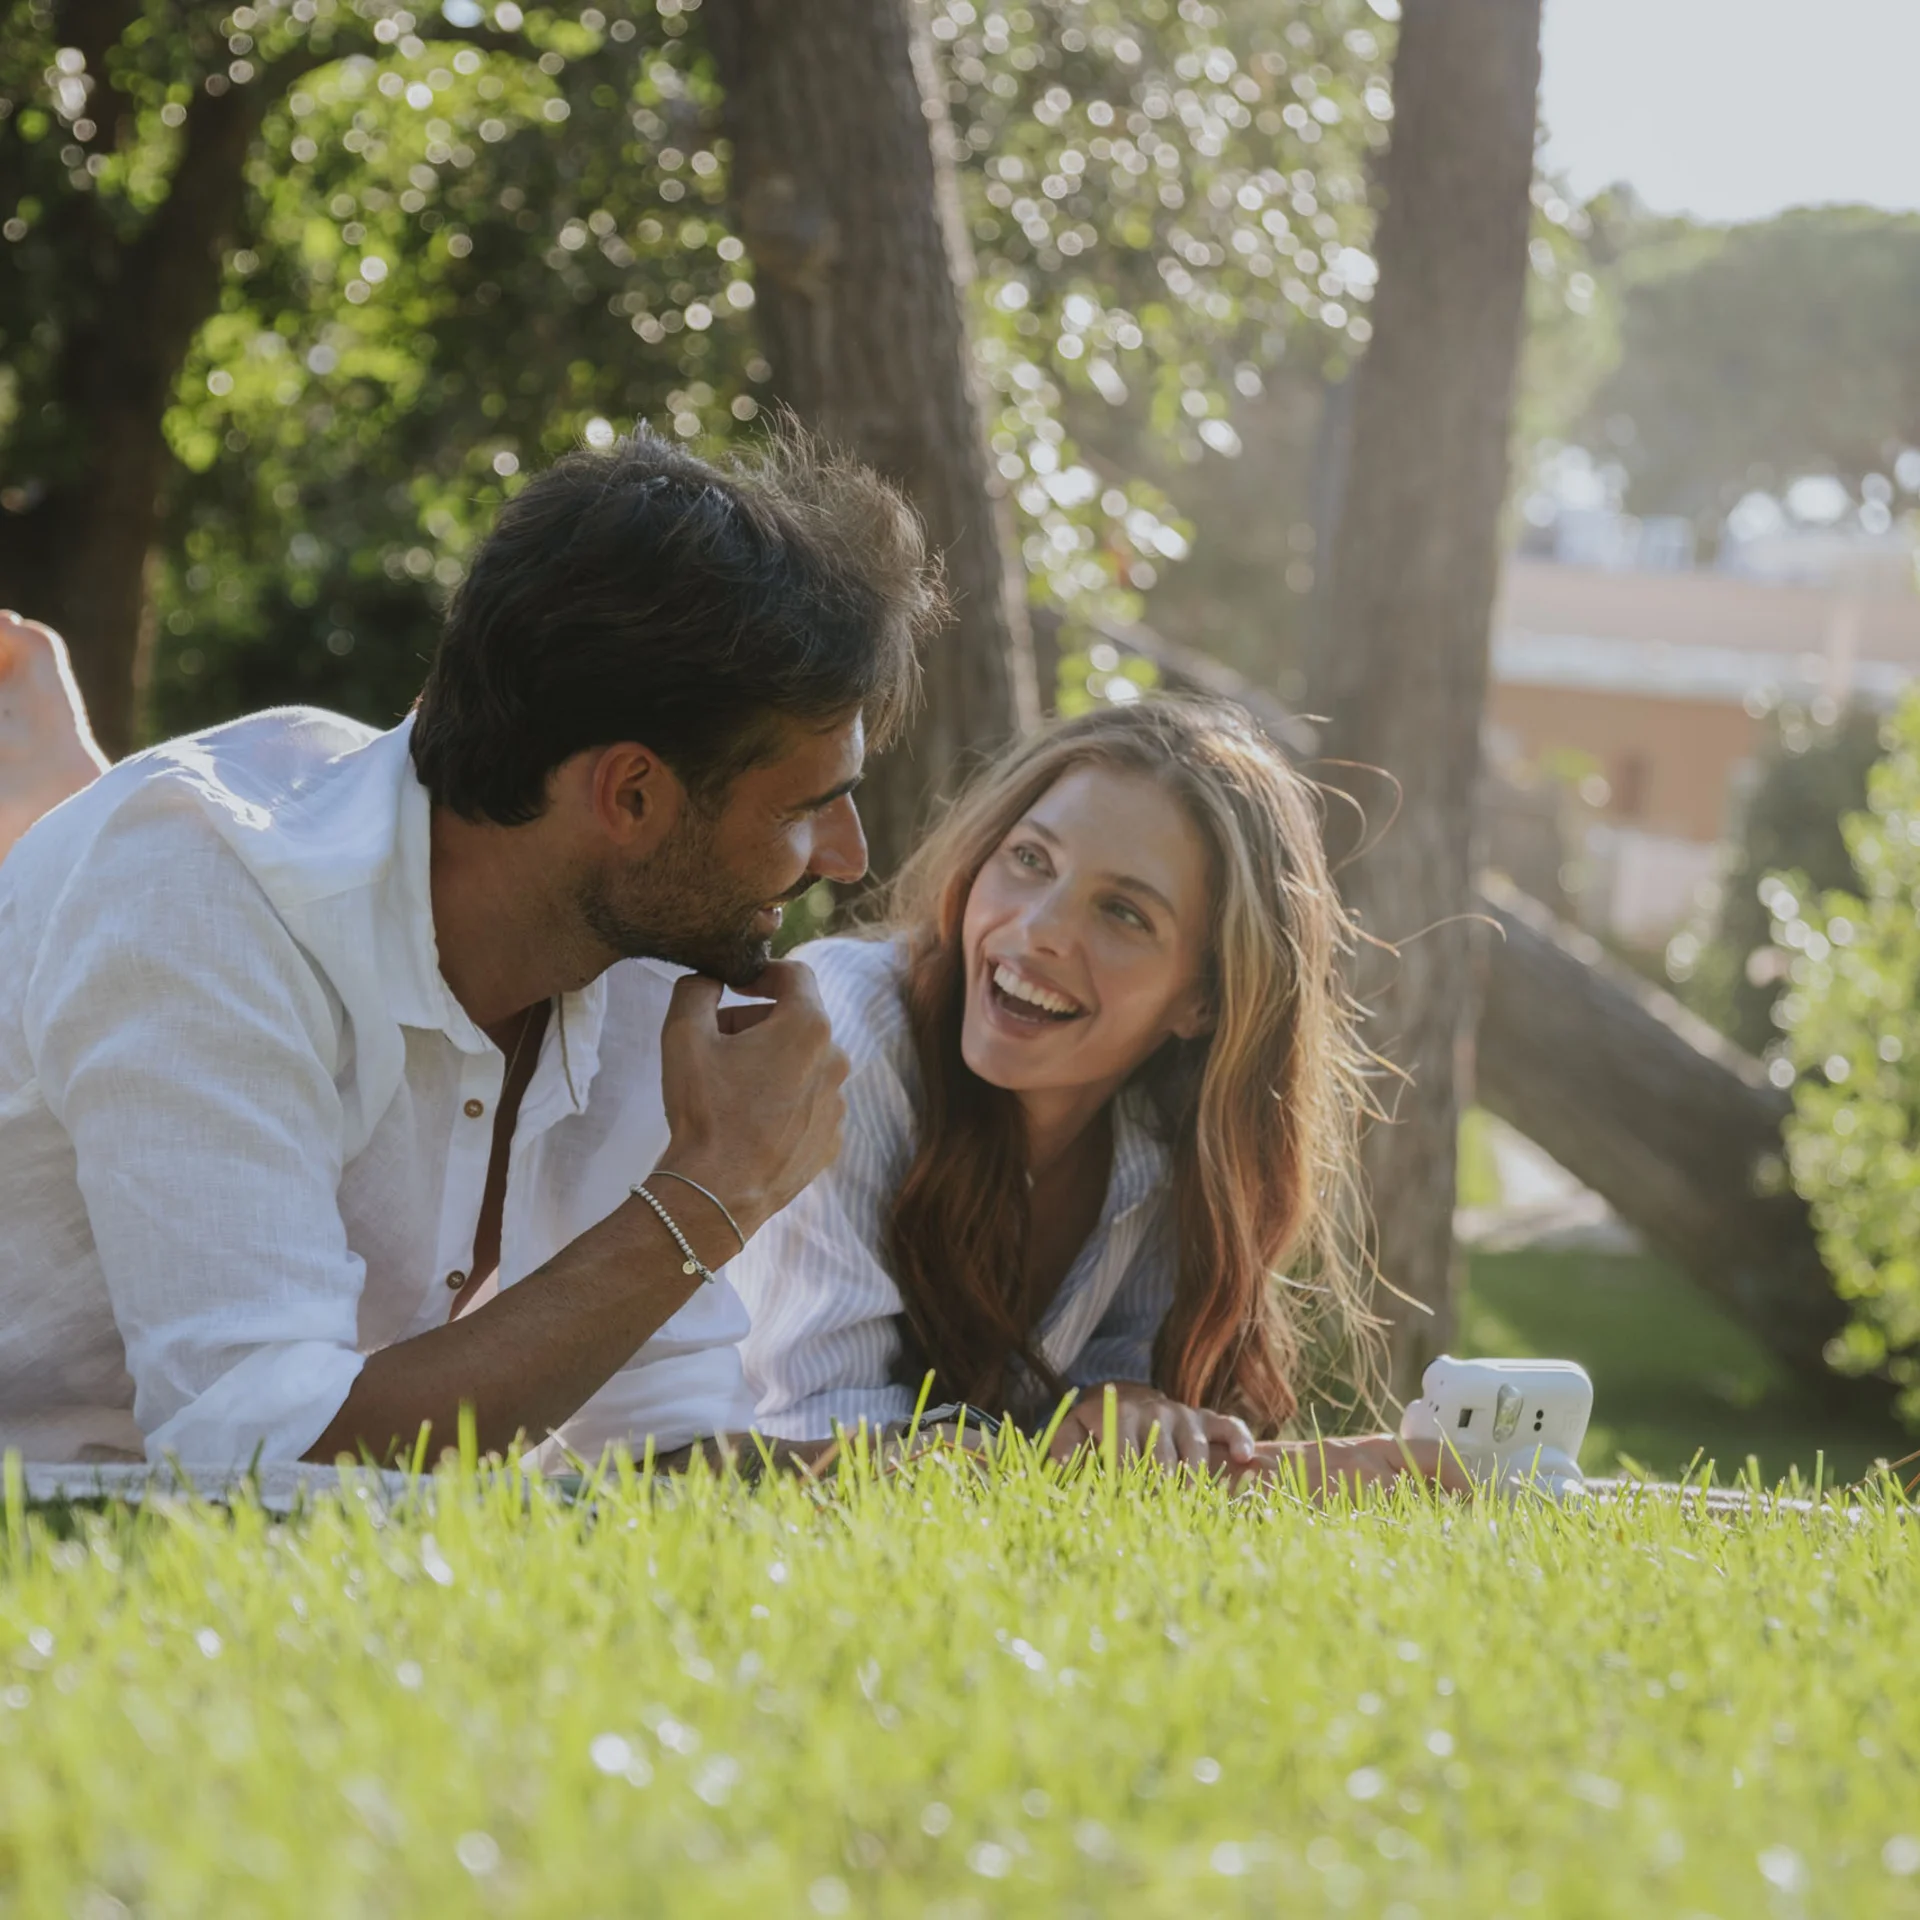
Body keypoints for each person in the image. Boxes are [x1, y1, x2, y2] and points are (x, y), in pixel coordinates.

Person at [0, 425, 940, 1468]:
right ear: (630, 795)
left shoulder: (634, 947)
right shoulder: (201, 890)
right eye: (810, 807)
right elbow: (262, 1455)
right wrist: (710, 1194)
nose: (848, 859)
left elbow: (657, 1450)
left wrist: (922, 1474)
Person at [734, 698, 1457, 1492]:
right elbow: (824, 1449)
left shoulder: (1168, 1141)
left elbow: (1128, 1486)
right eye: (1031, 860)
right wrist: (1279, 1478)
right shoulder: (847, 1036)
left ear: (1204, 999)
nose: (1038, 927)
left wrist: (1133, 1413)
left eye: (1122, 912)